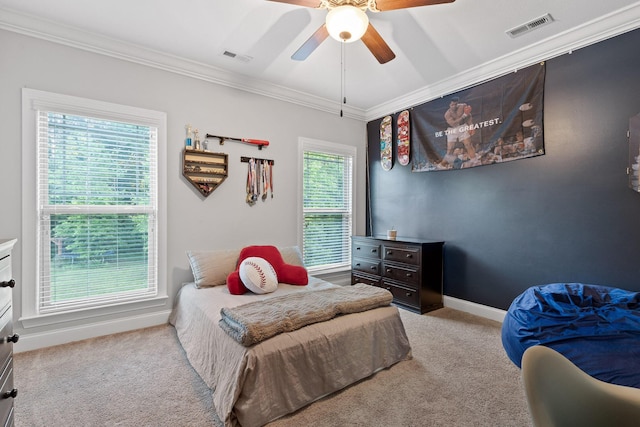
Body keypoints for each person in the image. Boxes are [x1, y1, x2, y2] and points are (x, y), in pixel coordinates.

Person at [441, 97, 477, 168]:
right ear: (449, 104)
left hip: (462, 126)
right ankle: (442, 164)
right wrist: (463, 116)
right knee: (450, 149)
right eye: (452, 105)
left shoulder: (463, 106)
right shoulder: (447, 114)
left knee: (468, 145)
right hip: (452, 129)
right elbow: (453, 124)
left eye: (456, 104)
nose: (454, 106)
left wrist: (471, 126)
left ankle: (475, 161)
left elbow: (468, 116)